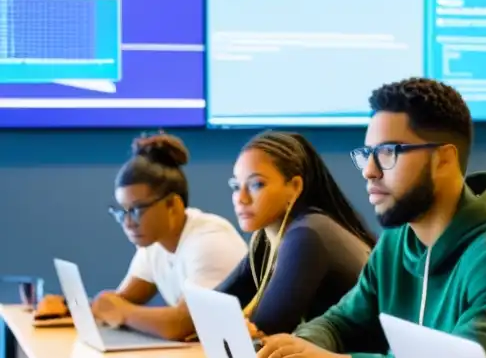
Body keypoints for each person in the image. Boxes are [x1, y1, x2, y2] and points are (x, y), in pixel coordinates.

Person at [255, 77, 486, 358]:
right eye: (367, 154)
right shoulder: (396, 241)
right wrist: (299, 349)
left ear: (443, 159)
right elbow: (341, 323)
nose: (370, 171)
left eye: (388, 152)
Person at [93, 131, 376, 340]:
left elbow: (263, 331)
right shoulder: (266, 240)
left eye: (256, 185)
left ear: (295, 186)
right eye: (235, 185)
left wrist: (226, 328)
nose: (240, 198)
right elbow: (208, 312)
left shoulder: (308, 235)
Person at [91, 133, 246, 326]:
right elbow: (117, 302)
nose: (128, 222)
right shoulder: (153, 245)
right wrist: (65, 307)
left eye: (137, 209)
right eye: (123, 211)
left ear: (173, 205)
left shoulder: (210, 240)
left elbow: (183, 324)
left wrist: (121, 312)